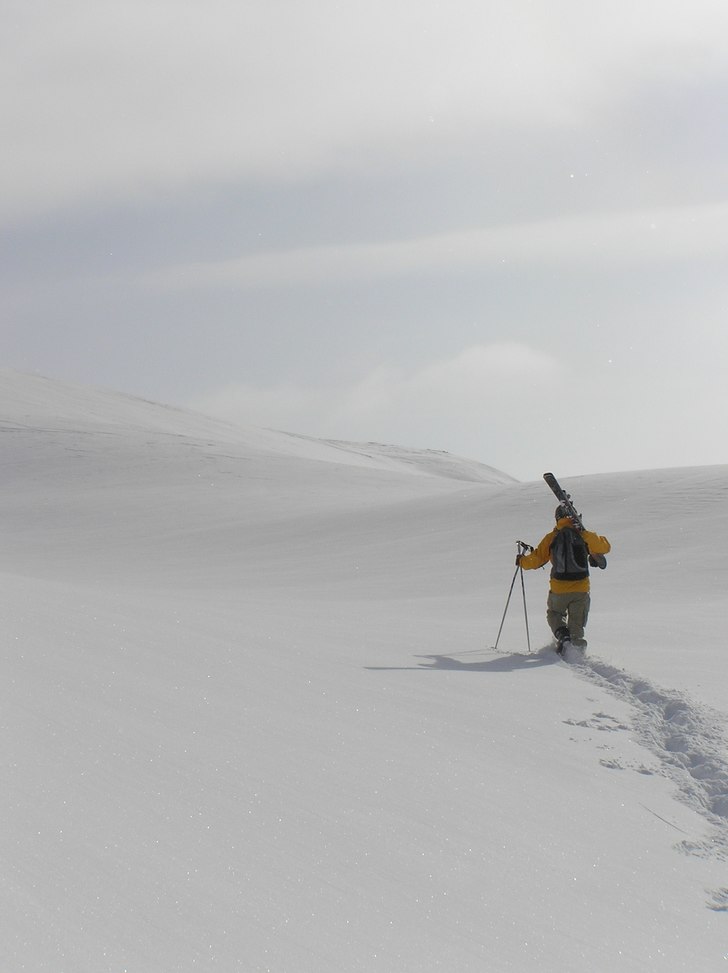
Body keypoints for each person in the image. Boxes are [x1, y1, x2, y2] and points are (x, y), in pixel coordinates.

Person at [517, 505, 611, 651]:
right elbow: (604, 548)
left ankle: (563, 636)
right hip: (581, 589)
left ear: (557, 519)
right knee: (577, 628)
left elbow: (536, 560)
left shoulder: (552, 537)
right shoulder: (583, 534)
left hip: (559, 589)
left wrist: (521, 561)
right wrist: (586, 534)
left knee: (554, 615)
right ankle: (578, 655)